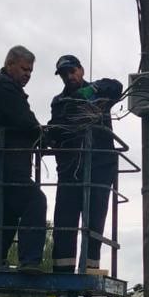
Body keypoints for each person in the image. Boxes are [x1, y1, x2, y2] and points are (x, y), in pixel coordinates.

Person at [0, 45, 47, 270]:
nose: (28, 74)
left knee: (7, 208)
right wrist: (43, 134)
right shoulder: (4, 86)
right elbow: (24, 119)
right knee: (35, 201)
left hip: (2, 159)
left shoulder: (4, 85)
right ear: (10, 64)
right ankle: (30, 261)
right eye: (24, 69)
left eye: (30, 71)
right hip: (1, 159)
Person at [48, 54, 123, 274]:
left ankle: (90, 270)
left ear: (80, 70)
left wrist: (93, 90)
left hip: (100, 168)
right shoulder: (60, 102)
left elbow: (117, 87)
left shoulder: (99, 92)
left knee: (94, 222)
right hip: (71, 170)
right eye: (64, 74)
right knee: (64, 222)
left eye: (72, 71)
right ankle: (62, 275)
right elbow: (57, 128)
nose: (69, 77)